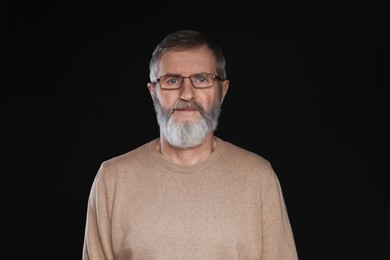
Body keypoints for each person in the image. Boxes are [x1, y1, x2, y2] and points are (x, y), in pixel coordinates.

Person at [82, 29, 298, 259]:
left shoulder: (258, 177)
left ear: (222, 91)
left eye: (202, 79)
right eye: (172, 80)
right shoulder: (113, 179)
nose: (187, 94)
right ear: (153, 92)